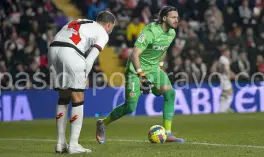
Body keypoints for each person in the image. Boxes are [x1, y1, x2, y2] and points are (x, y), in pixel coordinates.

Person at [96, 6, 184, 144]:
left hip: (154, 69)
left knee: (170, 93)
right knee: (130, 107)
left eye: (177, 17)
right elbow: (134, 54)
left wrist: (160, 68)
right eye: (173, 17)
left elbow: (163, 50)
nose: (176, 20)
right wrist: (141, 75)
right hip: (135, 70)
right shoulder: (150, 31)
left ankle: (167, 133)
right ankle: (103, 123)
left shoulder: (171, 33)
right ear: (164, 18)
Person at [48, 11, 115, 154]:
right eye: (111, 28)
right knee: (78, 97)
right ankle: (73, 144)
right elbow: (90, 58)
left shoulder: (79, 21)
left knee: (63, 96)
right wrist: (84, 76)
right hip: (70, 51)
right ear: (108, 25)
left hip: (53, 49)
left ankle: (60, 143)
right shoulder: (103, 33)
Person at [217, 48, 235, 113]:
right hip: (224, 78)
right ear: (224, 52)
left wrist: (232, 74)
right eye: (227, 51)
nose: (229, 53)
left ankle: (224, 108)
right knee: (230, 93)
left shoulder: (222, 58)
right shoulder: (224, 59)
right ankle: (224, 108)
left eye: (229, 51)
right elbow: (226, 68)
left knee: (224, 94)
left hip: (222, 77)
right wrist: (229, 75)